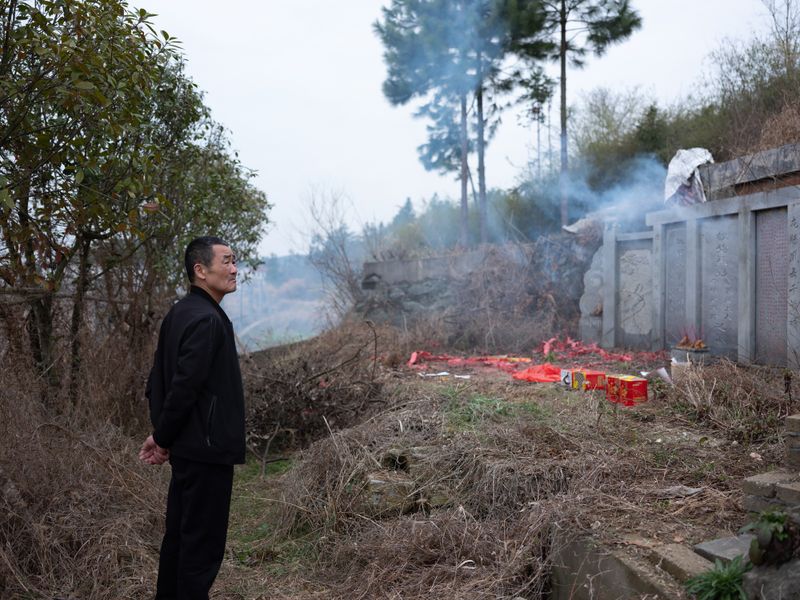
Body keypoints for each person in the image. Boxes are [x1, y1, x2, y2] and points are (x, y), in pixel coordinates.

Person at [139, 236, 245, 600]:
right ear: (200, 270)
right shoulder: (206, 320)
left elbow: (157, 381)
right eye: (226, 262)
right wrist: (164, 436)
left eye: (235, 261)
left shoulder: (181, 312)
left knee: (179, 541)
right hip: (205, 451)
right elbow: (182, 387)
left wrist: (163, 435)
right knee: (200, 550)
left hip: (189, 448)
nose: (234, 270)